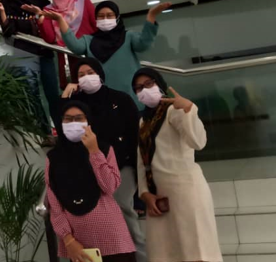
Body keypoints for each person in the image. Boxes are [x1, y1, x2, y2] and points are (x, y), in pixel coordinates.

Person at [132, 68, 222, 262]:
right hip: (159, 198)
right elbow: (142, 160)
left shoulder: (174, 110)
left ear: (160, 84)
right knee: (164, 254)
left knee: (196, 251)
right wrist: (145, 193)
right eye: (139, 88)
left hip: (186, 192)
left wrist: (188, 109)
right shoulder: (143, 121)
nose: (144, 90)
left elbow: (198, 142)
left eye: (149, 84)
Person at [63, 58, 146, 262]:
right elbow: (63, 127)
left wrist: (141, 170)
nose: (86, 77)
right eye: (81, 75)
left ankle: (140, 256)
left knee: (120, 205)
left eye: (90, 72)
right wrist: (65, 97)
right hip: (90, 168)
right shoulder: (77, 105)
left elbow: (136, 135)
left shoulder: (121, 99)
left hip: (123, 165)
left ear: (100, 74)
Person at [46, 101, 136, 262]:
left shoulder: (104, 149)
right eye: (68, 119)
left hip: (113, 239)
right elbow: (54, 203)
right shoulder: (54, 158)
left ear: (88, 121)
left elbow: (110, 187)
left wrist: (94, 151)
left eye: (79, 118)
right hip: (78, 243)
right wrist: (68, 240)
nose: (73, 123)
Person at [44, 0, 170, 102]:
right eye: (101, 16)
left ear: (117, 18)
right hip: (104, 100)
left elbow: (143, 44)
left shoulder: (128, 36)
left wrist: (151, 16)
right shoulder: (89, 40)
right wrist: (60, 20)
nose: (105, 19)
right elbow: (75, 46)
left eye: (109, 15)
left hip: (132, 97)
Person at [9, 0, 62, 132]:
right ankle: (45, 132)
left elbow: (52, 30)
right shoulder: (12, 7)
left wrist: (39, 14)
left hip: (45, 53)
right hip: (24, 54)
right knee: (32, 94)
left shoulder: (44, 4)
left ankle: (61, 130)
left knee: (52, 93)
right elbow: (10, 29)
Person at [38, 0, 97, 87]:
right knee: (73, 92)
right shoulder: (48, 9)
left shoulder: (83, 1)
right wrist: (40, 20)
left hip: (88, 52)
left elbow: (96, 26)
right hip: (67, 58)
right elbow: (50, 38)